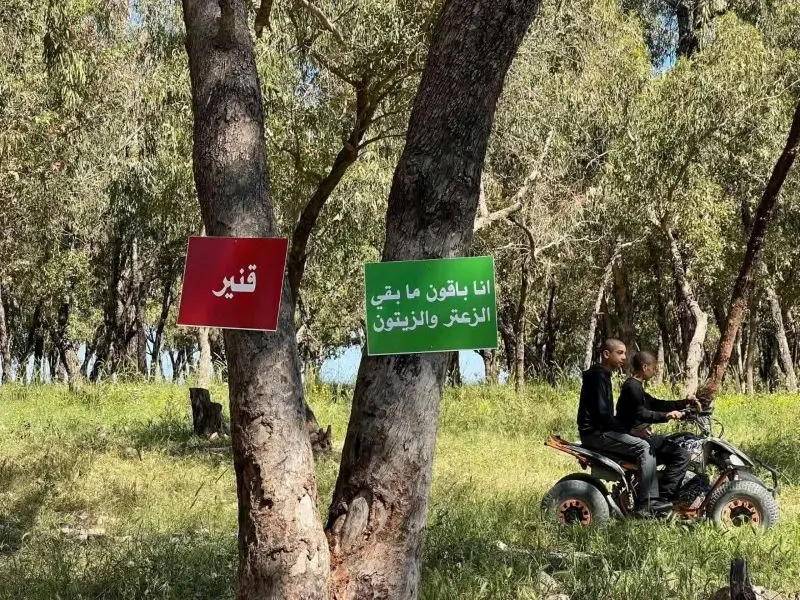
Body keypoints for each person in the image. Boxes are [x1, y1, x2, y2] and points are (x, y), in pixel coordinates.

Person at [577, 339, 670, 515]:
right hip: (595, 434)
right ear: (606, 354)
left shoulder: (603, 375)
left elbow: (605, 416)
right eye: (619, 353)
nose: (624, 357)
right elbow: (602, 416)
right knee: (644, 447)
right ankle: (647, 503)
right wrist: (631, 431)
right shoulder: (598, 377)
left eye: (625, 353)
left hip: (599, 431)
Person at [616, 351, 693, 501]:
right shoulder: (632, 387)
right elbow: (641, 413)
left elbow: (657, 404)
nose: (655, 371)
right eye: (653, 368)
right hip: (634, 438)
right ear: (645, 367)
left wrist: (685, 403)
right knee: (681, 455)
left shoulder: (636, 387)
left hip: (639, 435)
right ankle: (663, 498)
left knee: (675, 446)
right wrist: (667, 416)